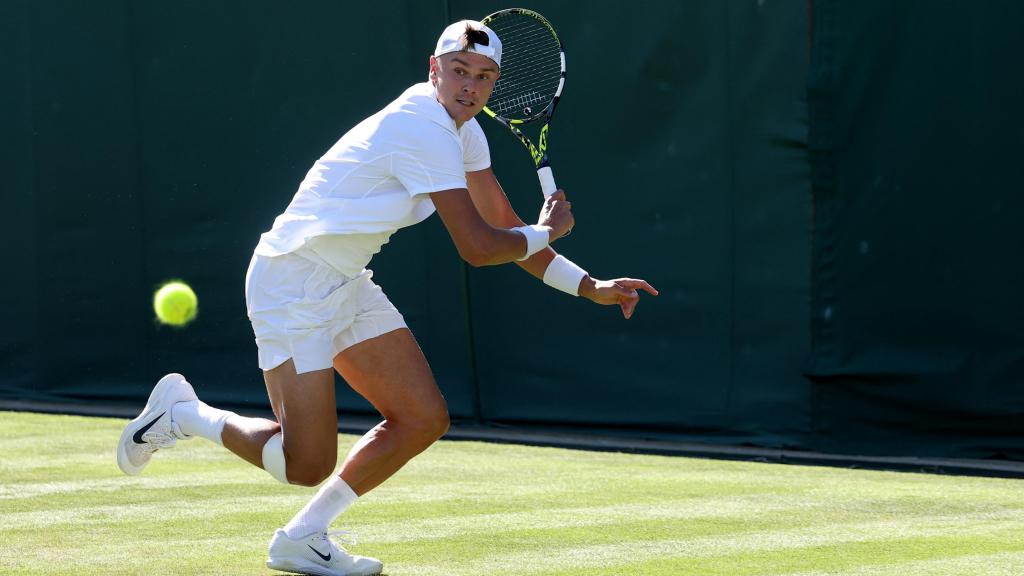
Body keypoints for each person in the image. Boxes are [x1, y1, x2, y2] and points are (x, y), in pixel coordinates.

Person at [116, 19, 657, 576]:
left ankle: (303, 537)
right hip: (291, 281)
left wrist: (589, 284)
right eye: (459, 71)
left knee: (422, 417)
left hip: (345, 280)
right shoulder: (422, 126)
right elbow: (478, 246)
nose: (469, 86)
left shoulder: (464, 133)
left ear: (494, 86)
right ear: (434, 70)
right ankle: (184, 414)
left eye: (484, 77)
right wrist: (547, 233)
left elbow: (504, 224)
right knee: (304, 462)